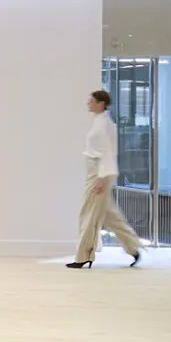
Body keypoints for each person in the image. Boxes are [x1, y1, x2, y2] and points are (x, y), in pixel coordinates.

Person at [68, 89, 143, 269]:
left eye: (91, 101)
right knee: (109, 214)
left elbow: (108, 152)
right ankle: (133, 247)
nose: (89, 104)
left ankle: (83, 255)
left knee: (88, 214)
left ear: (101, 103)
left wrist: (101, 178)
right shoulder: (99, 122)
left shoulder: (105, 124)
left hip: (99, 174)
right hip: (95, 172)